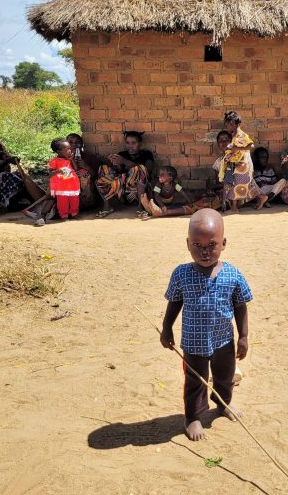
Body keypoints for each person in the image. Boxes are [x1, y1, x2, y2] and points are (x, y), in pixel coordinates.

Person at [161, 209, 251, 441]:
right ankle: (192, 417)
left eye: (211, 244)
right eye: (197, 245)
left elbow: (240, 305)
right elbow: (175, 302)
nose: (204, 251)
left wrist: (243, 336)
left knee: (225, 377)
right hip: (194, 342)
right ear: (187, 244)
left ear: (223, 243)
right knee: (196, 381)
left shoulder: (233, 274)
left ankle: (223, 405)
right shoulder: (181, 274)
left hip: (223, 340)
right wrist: (167, 328)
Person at [217, 111, 267, 213]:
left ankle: (235, 207)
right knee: (241, 184)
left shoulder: (241, 135)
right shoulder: (234, 135)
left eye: (226, 125)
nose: (226, 127)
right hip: (236, 165)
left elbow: (251, 146)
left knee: (236, 184)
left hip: (242, 166)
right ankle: (261, 197)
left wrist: (237, 147)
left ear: (232, 123)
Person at [96, 131, 154, 218]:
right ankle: (107, 206)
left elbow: (147, 170)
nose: (130, 146)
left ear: (140, 144)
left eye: (133, 143)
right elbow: (119, 172)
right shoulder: (122, 154)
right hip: (122, 191)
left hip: (138, 192)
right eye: (128, 143)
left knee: (140, 168)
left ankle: (141, 207)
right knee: (103, 168)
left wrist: (125, 162)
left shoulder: (146, 154)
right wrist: (115, 163)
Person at [47, 138, 80, 221]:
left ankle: (74, 213)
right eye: (66, 149)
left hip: (72, 183)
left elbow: (75, 169)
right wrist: (59, 171)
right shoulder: (55, 161)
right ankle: (64, 215)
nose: (69, 151)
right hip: (61, 185)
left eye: (69, 148)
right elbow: (50, 173)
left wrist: (71, 159)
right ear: (59, 151)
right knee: (62, 201)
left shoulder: (69, 159)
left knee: (74, 199)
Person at [67, 133, 100, 210]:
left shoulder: (90, 158)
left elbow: (97, 177)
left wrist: (86, 167)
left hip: (87, 197)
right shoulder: (62, 159)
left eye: (77, 142)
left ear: (82, 145)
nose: (74, 145)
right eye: (70, 142)